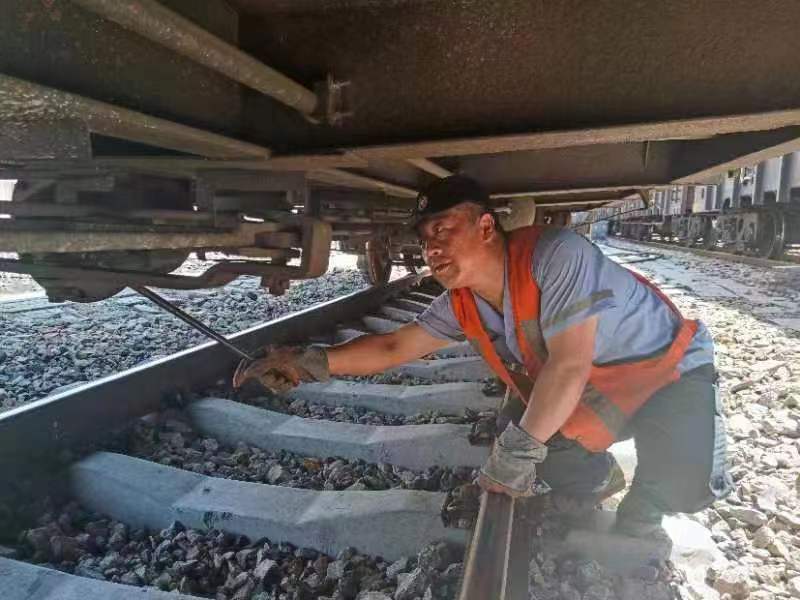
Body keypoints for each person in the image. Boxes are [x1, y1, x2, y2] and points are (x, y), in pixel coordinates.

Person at [233, 175, 733, 536]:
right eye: (424, 239)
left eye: (443, 230)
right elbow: (394, 345)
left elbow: (568, 365)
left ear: (487, 227)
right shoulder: (464, 301)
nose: (431, 248)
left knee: (685, 484)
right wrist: (310, 362)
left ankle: (648, 504)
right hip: (603, 388)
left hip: (670, 372)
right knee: (538, 442)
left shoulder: (556, 255)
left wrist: (515, 455)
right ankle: (602, 476)